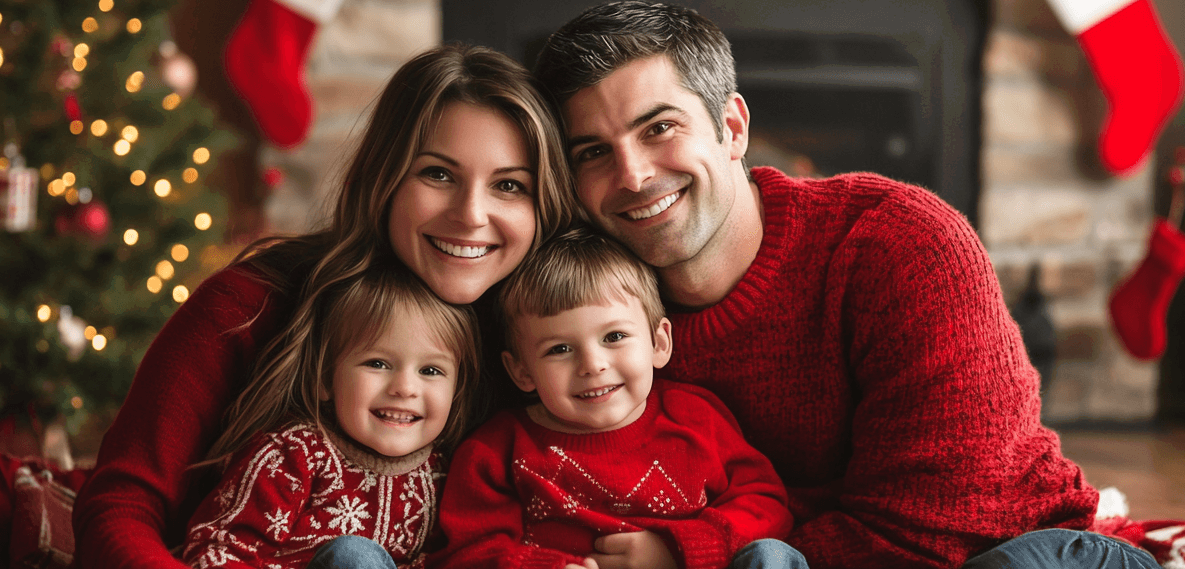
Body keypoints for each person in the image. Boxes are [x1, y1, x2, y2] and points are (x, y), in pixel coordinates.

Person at [532, 1, 1159, 569]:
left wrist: (696, 553)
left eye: (660, 128)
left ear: (733, 128)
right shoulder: (585, 310)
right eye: (592, 153)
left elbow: (940, 534)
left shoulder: (901, 244)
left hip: (1016, 544)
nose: (634, 175)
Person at [72, 43, 576, 568]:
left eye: (510, 185)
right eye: (439, 174)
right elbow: (121, 507)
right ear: (386, 176)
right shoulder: (250, 302)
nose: (472, 215)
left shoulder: (555, 336)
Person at [434, 227, 801, 569]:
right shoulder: (498, 450)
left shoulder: (694, 417)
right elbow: (471, 549)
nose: (592, 365)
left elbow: (766, 505)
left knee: (772, 556)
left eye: (614, 337)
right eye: (559, 349)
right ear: (522, 372)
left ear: (659, 343)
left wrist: (674, 549)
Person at [183, 268, 478, 568]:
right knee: (354, 557)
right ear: (324, 380)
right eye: (377, 363)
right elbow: (219, 549)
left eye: (430, 371)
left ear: (456, 390)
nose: (404, 388)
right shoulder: (292, 455)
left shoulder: (446, 472)